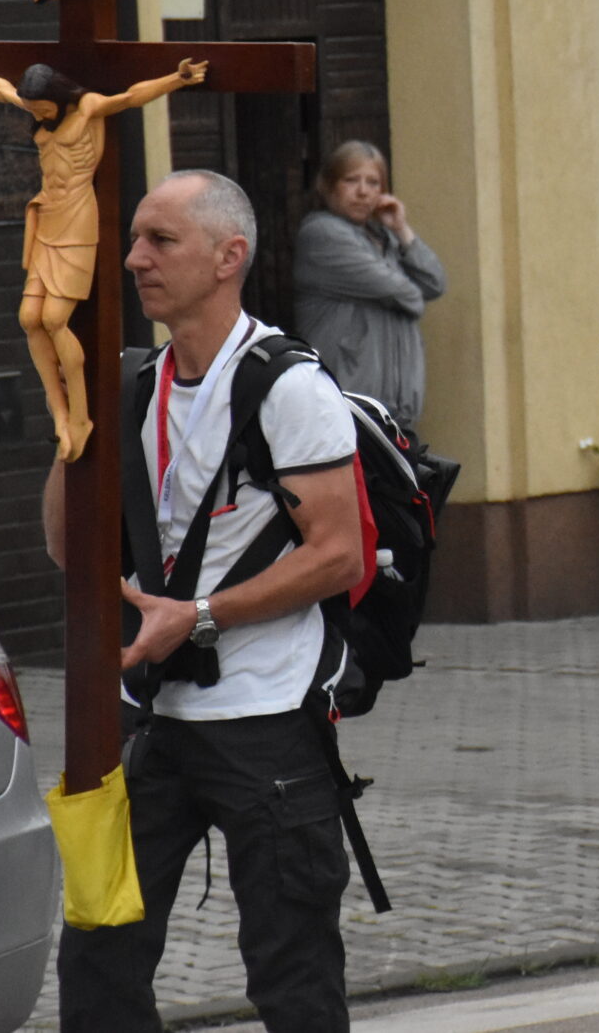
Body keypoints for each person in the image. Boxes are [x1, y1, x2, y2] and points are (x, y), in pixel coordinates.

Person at [52, 170, 364, 1033]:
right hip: (157, 719)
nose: (134, 258)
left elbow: (340, 553)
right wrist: (70, 419)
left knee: (292, 974)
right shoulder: (132, 384)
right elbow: (66, 548)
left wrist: (202, 615)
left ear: (230, 258)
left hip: (268, 720)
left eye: (161, 240)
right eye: (135, 238)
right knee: (97, 957)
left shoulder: (288, 387)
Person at [0, 53, 208, 461]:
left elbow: (132, 97)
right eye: (33, 108)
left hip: (78, 218)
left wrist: (178, 79)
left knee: (53, 319)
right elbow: (0, 89)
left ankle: (80, 415)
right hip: (47, 215)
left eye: (42, 105)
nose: (37, 113)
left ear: (58, 95)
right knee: (29, 319)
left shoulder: (87, 108)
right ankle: (59, 412)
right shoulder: (38, 114)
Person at [293, 139, 447, 428]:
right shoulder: (323, 235)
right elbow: (408, 295)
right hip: (347, 407)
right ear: (328, 185)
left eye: (373, 183)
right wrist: (407, 289)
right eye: (351, 180)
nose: (363, 191)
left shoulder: (383, 237)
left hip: (392, 412)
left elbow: (434, 283)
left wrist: (401, 230)